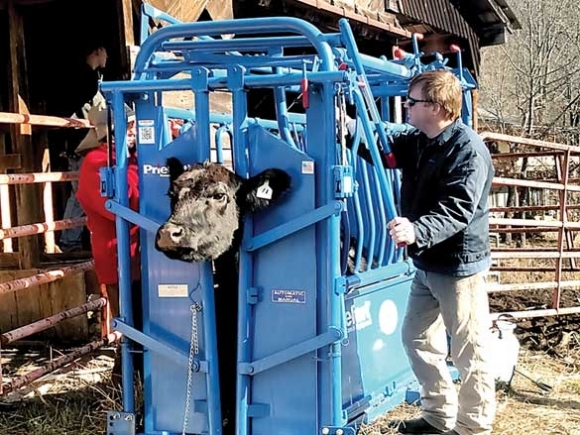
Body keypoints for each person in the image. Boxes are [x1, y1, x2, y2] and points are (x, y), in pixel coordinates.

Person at [349, 70, 495, 435]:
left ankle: (473, 428)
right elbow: (386, 149)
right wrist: (349, 126)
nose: (406, 107)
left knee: (469, 351)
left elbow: (457, 210)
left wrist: (417, 230)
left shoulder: (467, 150)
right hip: (427, 263)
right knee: (415, 337)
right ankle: (438, 416)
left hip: (459, 267)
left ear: (438, 107)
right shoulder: (421, 141)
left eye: (412, 102)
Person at [75, 103, 141, 331]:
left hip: (137, 251)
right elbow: (123, 207)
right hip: (117, 253)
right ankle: (127, 361)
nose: (134, 130)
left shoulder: (128, 158)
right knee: (130, 318)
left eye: (134, 124)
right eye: (129, 125)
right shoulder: (96, 162)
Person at [48, 41, 108, 252]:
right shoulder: (87, 79)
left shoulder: (83, 78)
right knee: (83, 193)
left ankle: (73, 238)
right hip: (82, 143)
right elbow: (90, 102)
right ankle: (69, 240)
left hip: (78, 143)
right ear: (98, 51)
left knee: (83, 193)